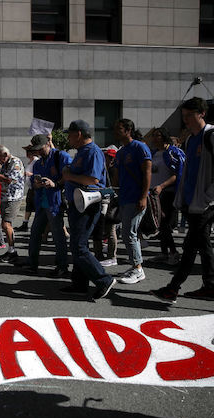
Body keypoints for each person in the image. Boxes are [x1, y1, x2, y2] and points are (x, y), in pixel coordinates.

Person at [151, 97, 214, 303]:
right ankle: (209, 286)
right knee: (203, 245)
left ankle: (173, 288)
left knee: (190, 246)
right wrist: (183, 199)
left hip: (202, 205)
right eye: (183, 116)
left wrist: (206, 200)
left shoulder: (213, 137)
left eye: (189, 115)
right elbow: (187, 172)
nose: (185, 120)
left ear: (201, 114)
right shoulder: (191, 139)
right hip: (190, 202)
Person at [59, 120, 116, 300]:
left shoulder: (92, 151)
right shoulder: (83, 152)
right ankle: (79, 284)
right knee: (77, 244)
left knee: (79, 246)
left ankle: (104, 279)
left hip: (87, 205)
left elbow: (92, 179)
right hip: (78, 204)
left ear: (79, 134)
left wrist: (69, 175)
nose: (68, 137)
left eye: (70, 134)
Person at [19, 134, 72, 278]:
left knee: (58, 236)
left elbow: (69, 175)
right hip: (41, 203)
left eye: (40, 148)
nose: (38, 152)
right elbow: (34, 182)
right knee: (35, 234)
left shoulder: (60, 156)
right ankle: (32, 264)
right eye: (36, 149)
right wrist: (36, 184)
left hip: (55, 202)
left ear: (48, 143)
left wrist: (55, 183)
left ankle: (62, 267)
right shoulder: (38, 163)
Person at [111, 118, 152, 285]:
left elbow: (147, 172)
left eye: (118, 128)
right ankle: (135, 265)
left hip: (135, 198)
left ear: (128, 130)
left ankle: (138, 268)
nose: (115, 131)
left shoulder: (139, 147)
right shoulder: (121, 152)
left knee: (130, 234)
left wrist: (143, 196)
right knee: (127, 233)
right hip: (125, 198)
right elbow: (117, 178)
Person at [148, 127, 184, 265]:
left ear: (164, 136)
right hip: (153, 194)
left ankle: (173, 252)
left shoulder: (174, 152)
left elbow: (178, 174)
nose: (154, 138)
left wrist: (162, 186)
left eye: (157, 135)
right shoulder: (154, 153)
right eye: (153, 135)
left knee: (164, 224)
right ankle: (164, 253)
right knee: (160, 225)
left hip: (168, 194)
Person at [93, 146, 119, 267]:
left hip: (111, 203)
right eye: (108, 157)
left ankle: (112, 256)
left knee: (110, 229)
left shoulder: (114, 170)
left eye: (111, 158)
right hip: (101, 201)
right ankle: (98, 254)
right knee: (98, 228)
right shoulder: (103, 168)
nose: (109, 160)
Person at [17, 149, 39, 232]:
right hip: (30, 187)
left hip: (35, 186)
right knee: (28, 205)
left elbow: (37, 173)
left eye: (28, 152)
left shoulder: (36, 161)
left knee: (35, 206)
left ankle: (36, 224)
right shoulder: (30, 161)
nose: (27, 153)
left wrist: (28, 174)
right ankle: (25, 223)